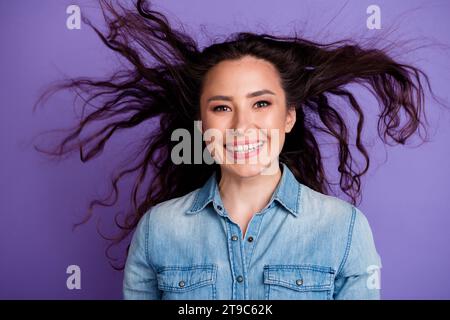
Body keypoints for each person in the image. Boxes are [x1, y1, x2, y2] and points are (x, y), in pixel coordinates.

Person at [35, 0, 432, 299]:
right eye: (222, 108)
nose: (242, 127)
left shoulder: (344, 230)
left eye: (261, 104)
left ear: (289, 117)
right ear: (202, 123)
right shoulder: (159, 231)